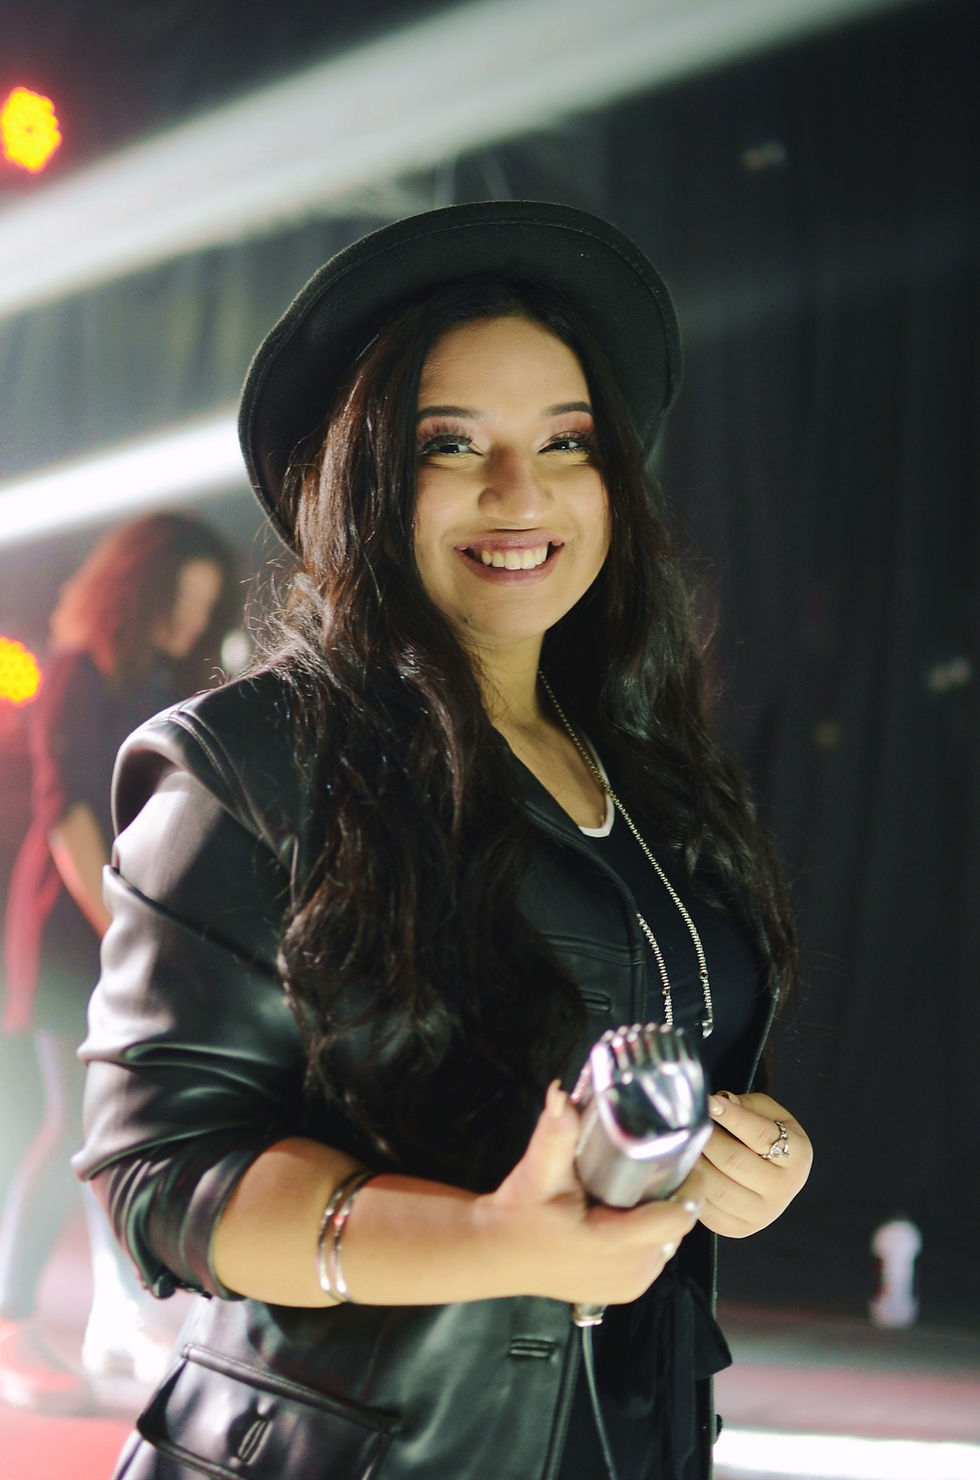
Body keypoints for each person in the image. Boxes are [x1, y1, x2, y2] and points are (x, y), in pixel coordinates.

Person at [73, 202, 812, 1480]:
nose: (519, 493)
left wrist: (757, 1158)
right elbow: (162, 1172)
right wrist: (484, 1241)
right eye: (450, 444)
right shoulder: (247, 760)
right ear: (359, 481)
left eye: (565, 441)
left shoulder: (651, 771)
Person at [0, 512, 236, 1411]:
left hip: (124, 930)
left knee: (116, 1129)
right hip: (73, 936)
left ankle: (120, 1318)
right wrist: (125, 930)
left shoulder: (159, 684)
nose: (189, 622)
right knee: (73, 1126)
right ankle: (12, 1323)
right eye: (180, 602)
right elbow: (65, 816)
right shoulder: (74, 671)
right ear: (138, 590)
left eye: (203, 608)